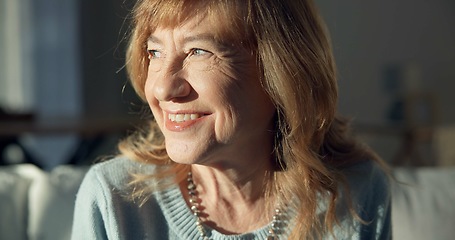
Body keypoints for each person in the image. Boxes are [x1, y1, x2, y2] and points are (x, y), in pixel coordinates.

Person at [71, 0, 391, 239]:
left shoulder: (356, 193)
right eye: (154, 52)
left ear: (283, 71)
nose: (162, 86)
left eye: (199, 51)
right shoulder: (114, 200)